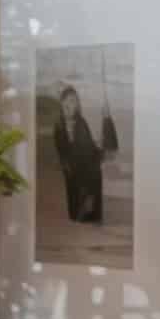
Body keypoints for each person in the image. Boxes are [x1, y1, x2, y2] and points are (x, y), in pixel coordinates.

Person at [53, 84, 103, 224]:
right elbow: (61, 149)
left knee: (95, 172)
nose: (72, 103)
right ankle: (80, 211)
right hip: (71, 164)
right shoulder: (59, 125)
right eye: (69, 100)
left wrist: (98, 148)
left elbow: (89, 145)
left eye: (75, 100)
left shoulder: (81, 122)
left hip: (84, 161)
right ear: (62, 102)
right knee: (82, 175)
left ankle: (90, 212)